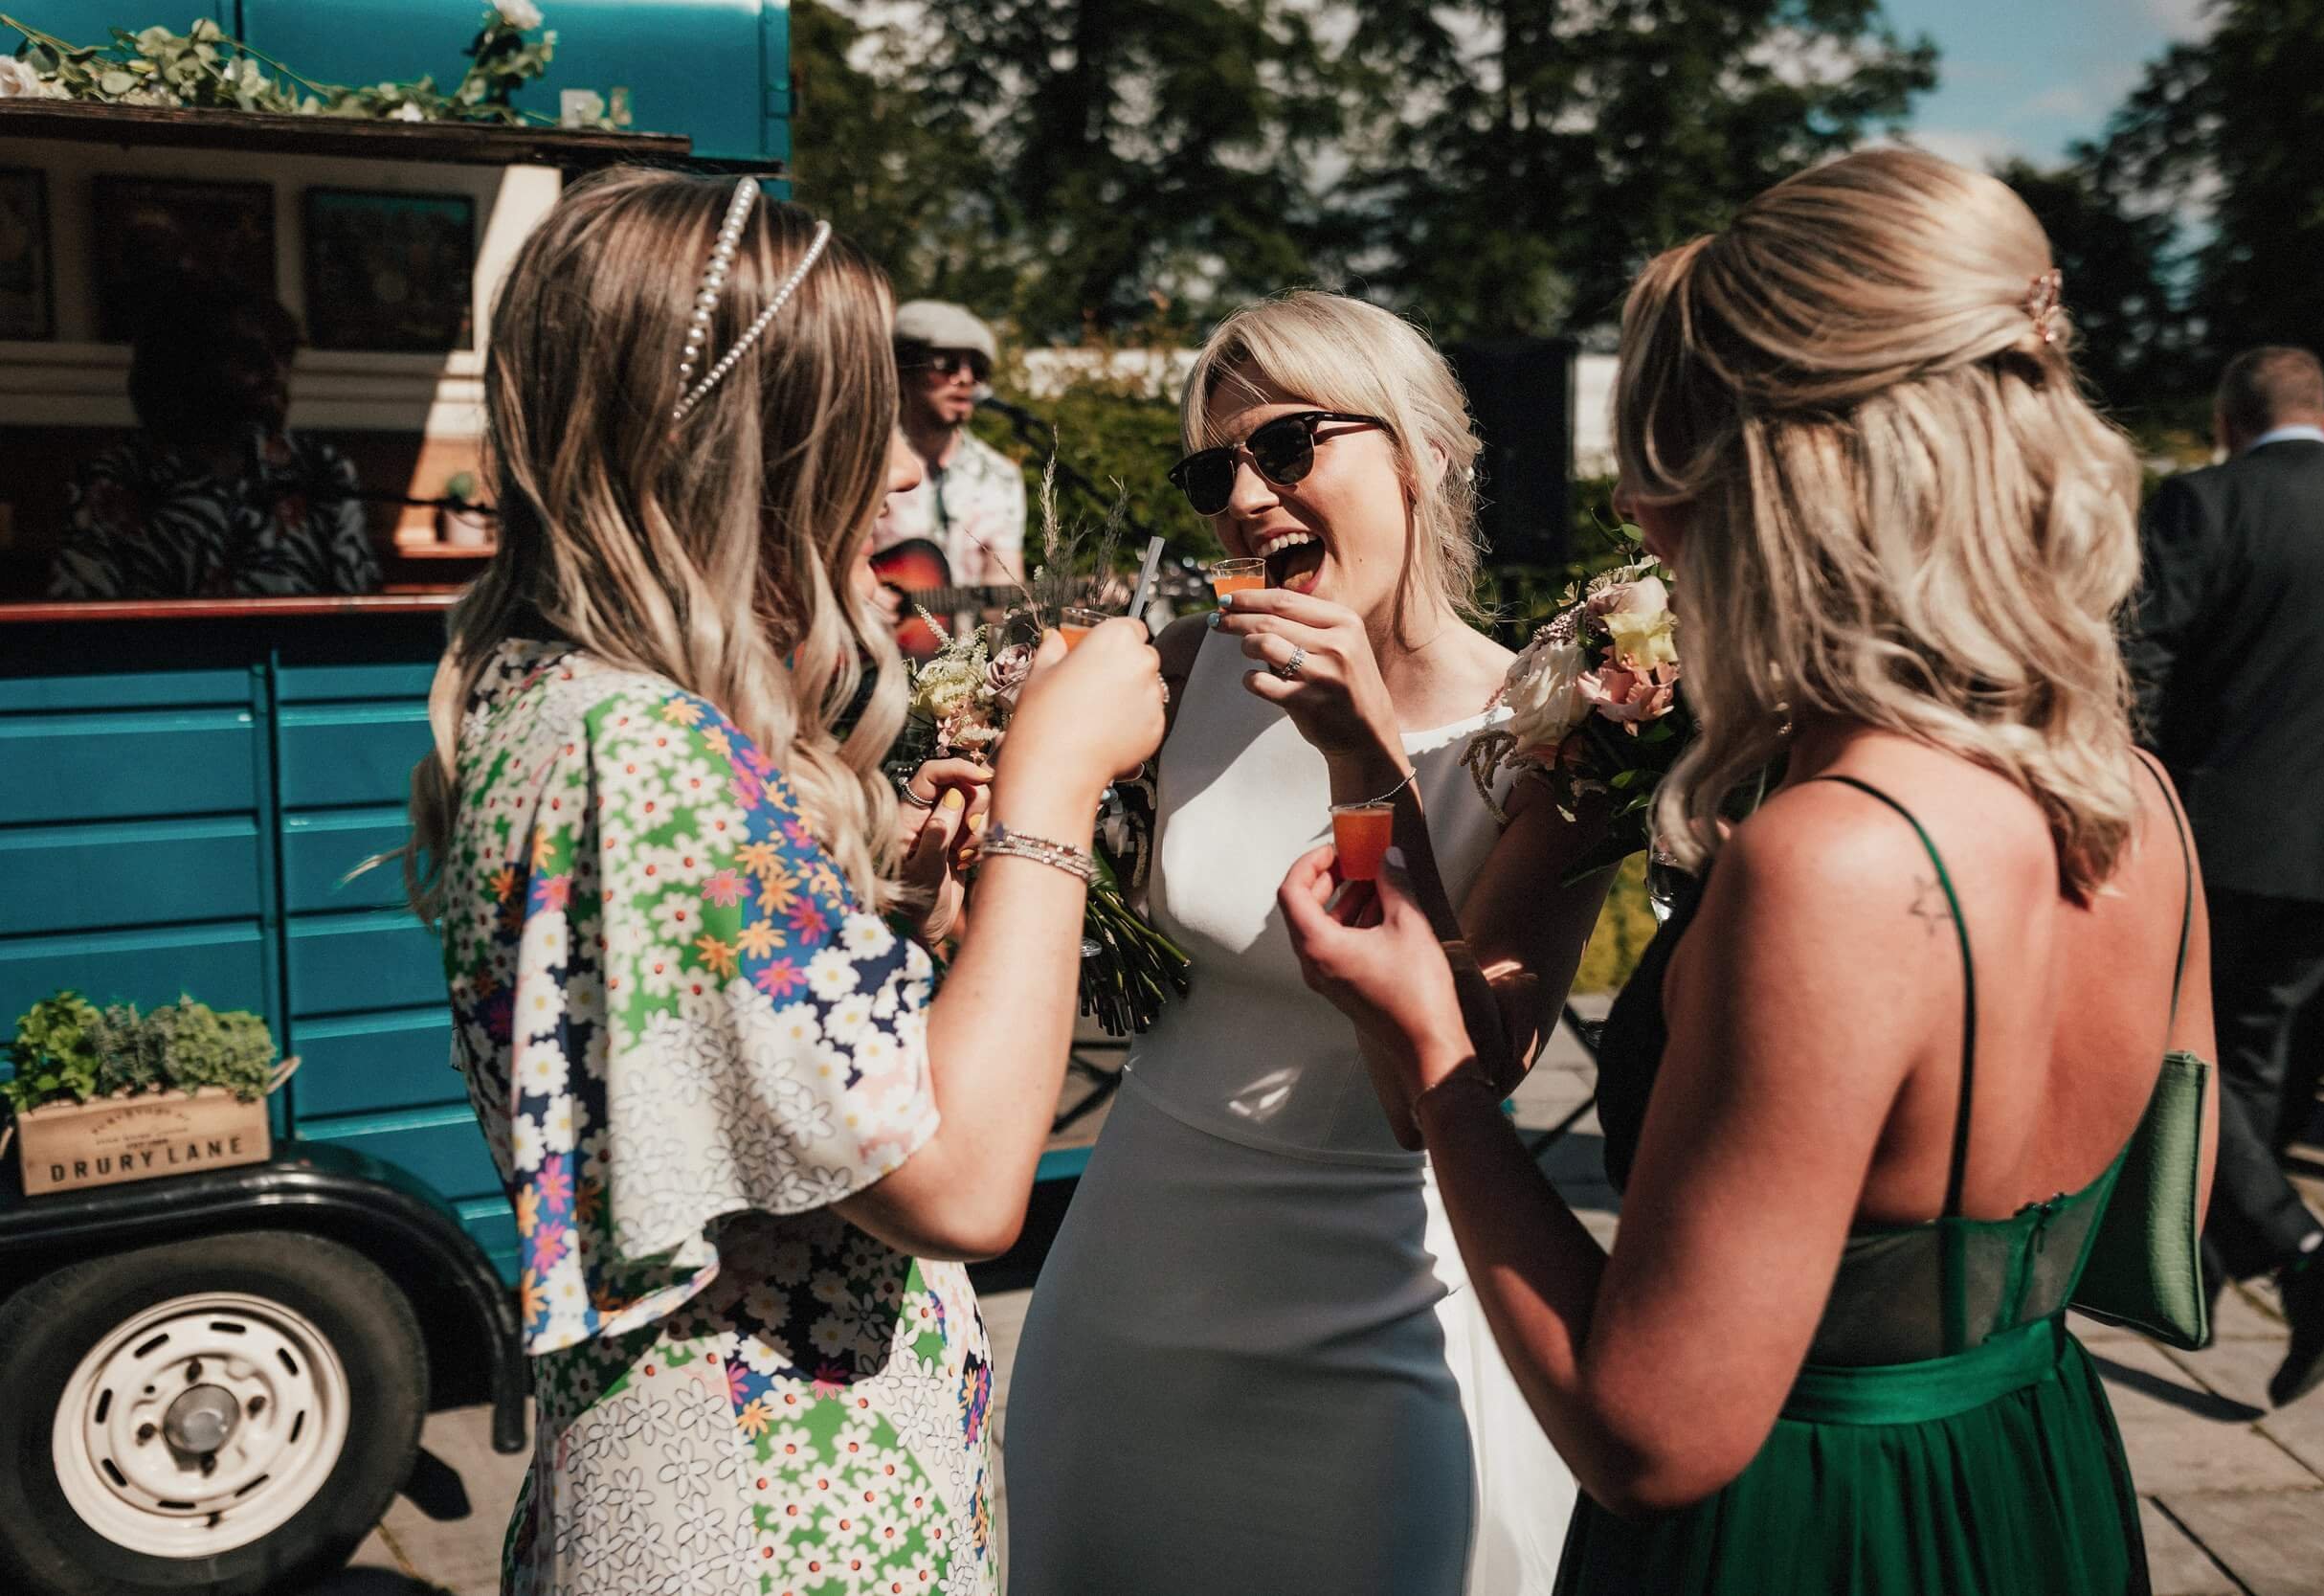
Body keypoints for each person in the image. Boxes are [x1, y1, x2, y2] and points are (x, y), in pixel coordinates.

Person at [1279, 148, 2218, 1596]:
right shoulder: (2131, 794)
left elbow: (1650, 1432)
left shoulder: (1837, 859)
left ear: (1777, 482)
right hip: (2031, 1466)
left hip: (1818, 1522)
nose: (1640, 524)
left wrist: (1434, 1048)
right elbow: (2167, 1215)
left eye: (1657, 473)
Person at [401, 169, 1165, 1595]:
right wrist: (1052, 793)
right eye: (852, 424)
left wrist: (896, 931)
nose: (895, 474)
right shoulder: (649, 750)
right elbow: (964, 1184)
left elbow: (739, 1099)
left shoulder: (551, 699)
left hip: (715, 1492)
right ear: (735, 449)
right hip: (768, 1521)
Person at [1004, 291, 1612, 1595]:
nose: (1243, 495)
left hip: (1384, 1311)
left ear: (1422, 451)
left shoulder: (1552, 737)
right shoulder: (1175, 669)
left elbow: (1449, 1080)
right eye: (1212, 467)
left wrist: (1360, 754)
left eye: (1287, 448)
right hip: (1132, 1290)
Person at [2127, 346, 2324, 1404]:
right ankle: (2208, 1254)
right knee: (2250, 1047)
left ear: (2228, 417)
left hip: (2222, 832)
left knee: (2155, 1034)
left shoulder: (2204, 502)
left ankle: (2293, 1247)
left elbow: (2136, 659)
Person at [50, 275, 380, 599]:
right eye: (249, 356)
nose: (275, 374)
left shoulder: (321, 472)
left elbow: (362, 621)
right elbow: (80, 629)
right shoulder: (113, 480)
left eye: (284, 356)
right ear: (185, 366)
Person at [870, 300, 1028, 597]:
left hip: (967, 643)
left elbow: (1002, 593)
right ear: (903, 371)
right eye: (947, 365)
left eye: (977, 369)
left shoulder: (1001, 476)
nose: (966, 379)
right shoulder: (868, 462)